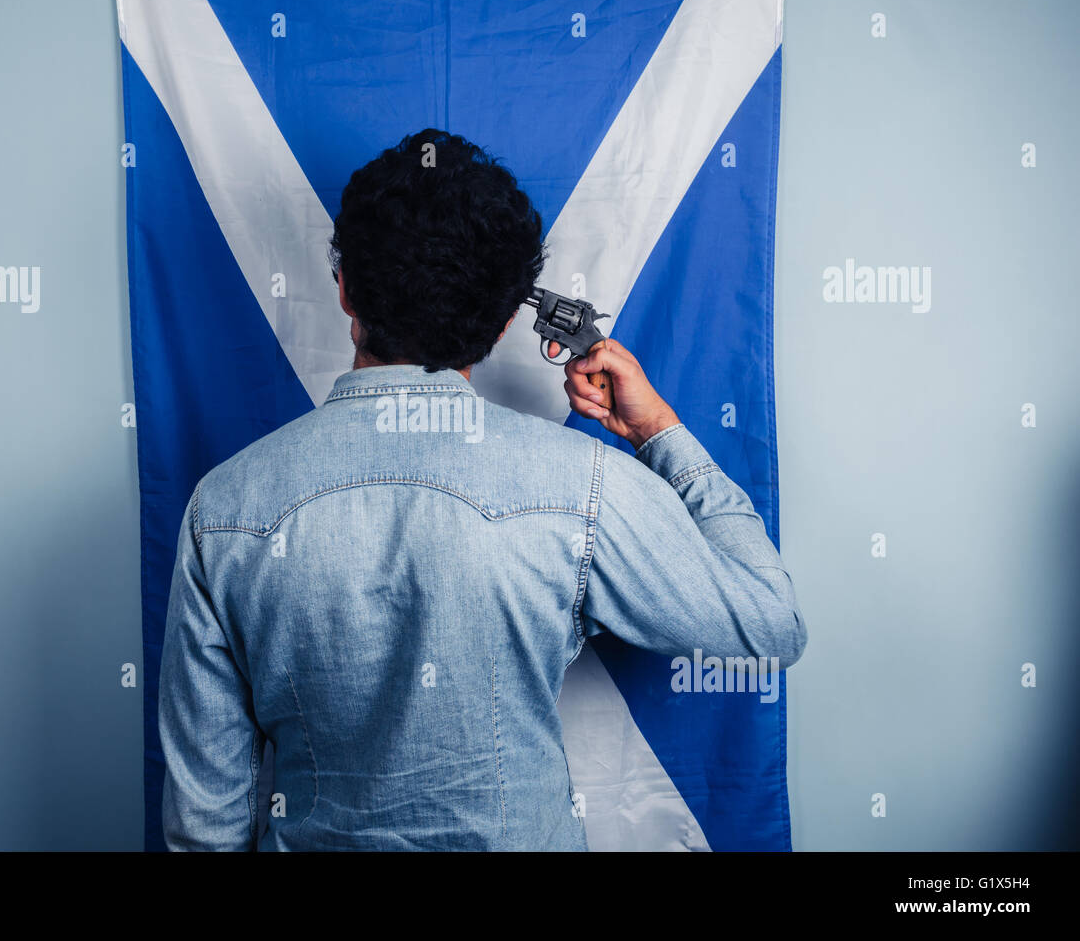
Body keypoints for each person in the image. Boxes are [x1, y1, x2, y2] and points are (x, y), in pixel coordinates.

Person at [158, 128, 807, 851]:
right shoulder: (585, 489)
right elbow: (771, 625)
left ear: (343, 287)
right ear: (504, 321)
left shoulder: (224, 509)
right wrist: (660, 432)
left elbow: (204, 822)